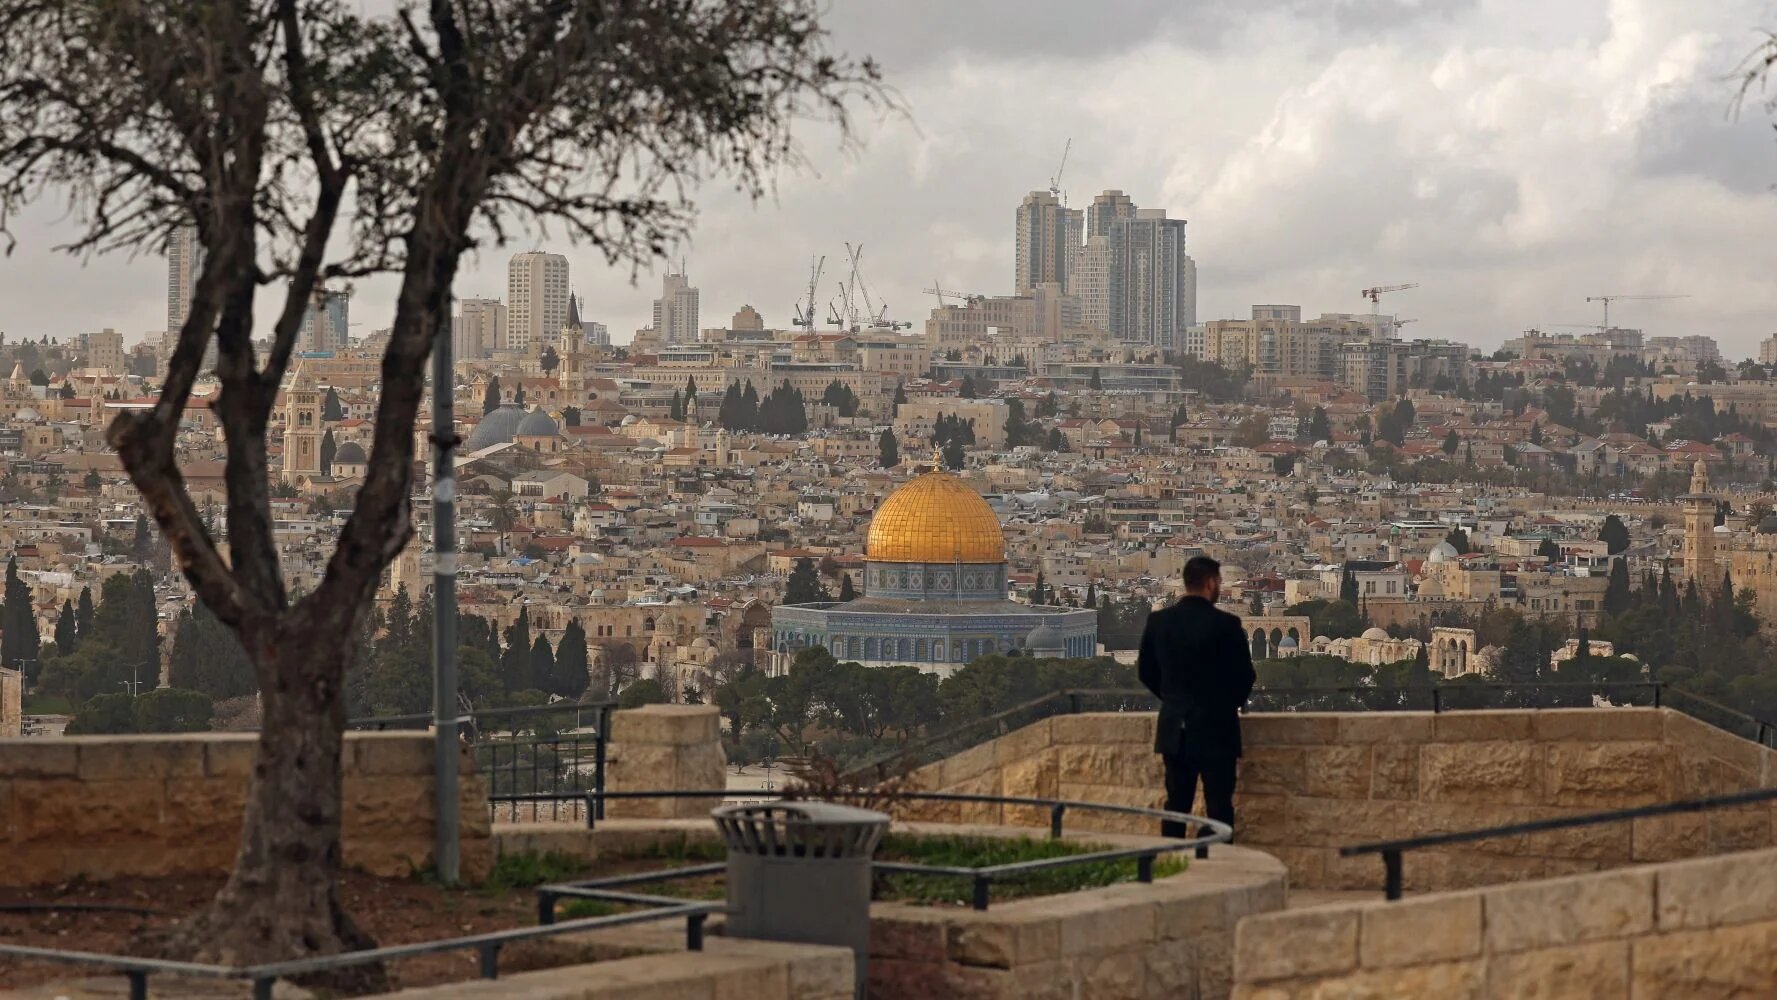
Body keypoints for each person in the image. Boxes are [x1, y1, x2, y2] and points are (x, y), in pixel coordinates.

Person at [1137, 555, 1256, 841]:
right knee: (1219, 808)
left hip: (1175, 727)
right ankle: (1219, 870)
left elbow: (1145, 671)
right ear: (1210, 583)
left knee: (1176, 806)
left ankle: (1172, 868)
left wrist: (1172, 698)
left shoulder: (1159, 622)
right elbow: (1245, 676)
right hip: (1218, 729)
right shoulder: (1226, 625)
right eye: (1219, 583)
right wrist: (1227, 704)